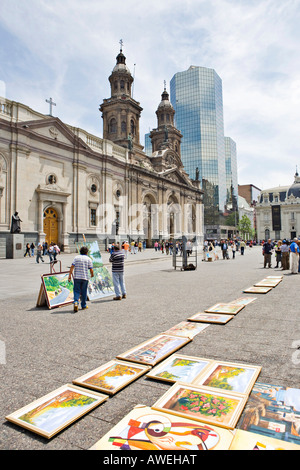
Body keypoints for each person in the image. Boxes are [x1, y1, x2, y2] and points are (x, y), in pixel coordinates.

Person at [68, 246, 94, 312]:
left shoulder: (76, 258)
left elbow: (72, 267)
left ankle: (76, 302)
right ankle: (83, 305)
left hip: (77, 277)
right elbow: (91, 269)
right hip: (85, 278)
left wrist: (69, 276)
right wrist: (92, 274)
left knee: (76, 290)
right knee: (84, 291)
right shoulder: (88, 259)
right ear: (86, 252)